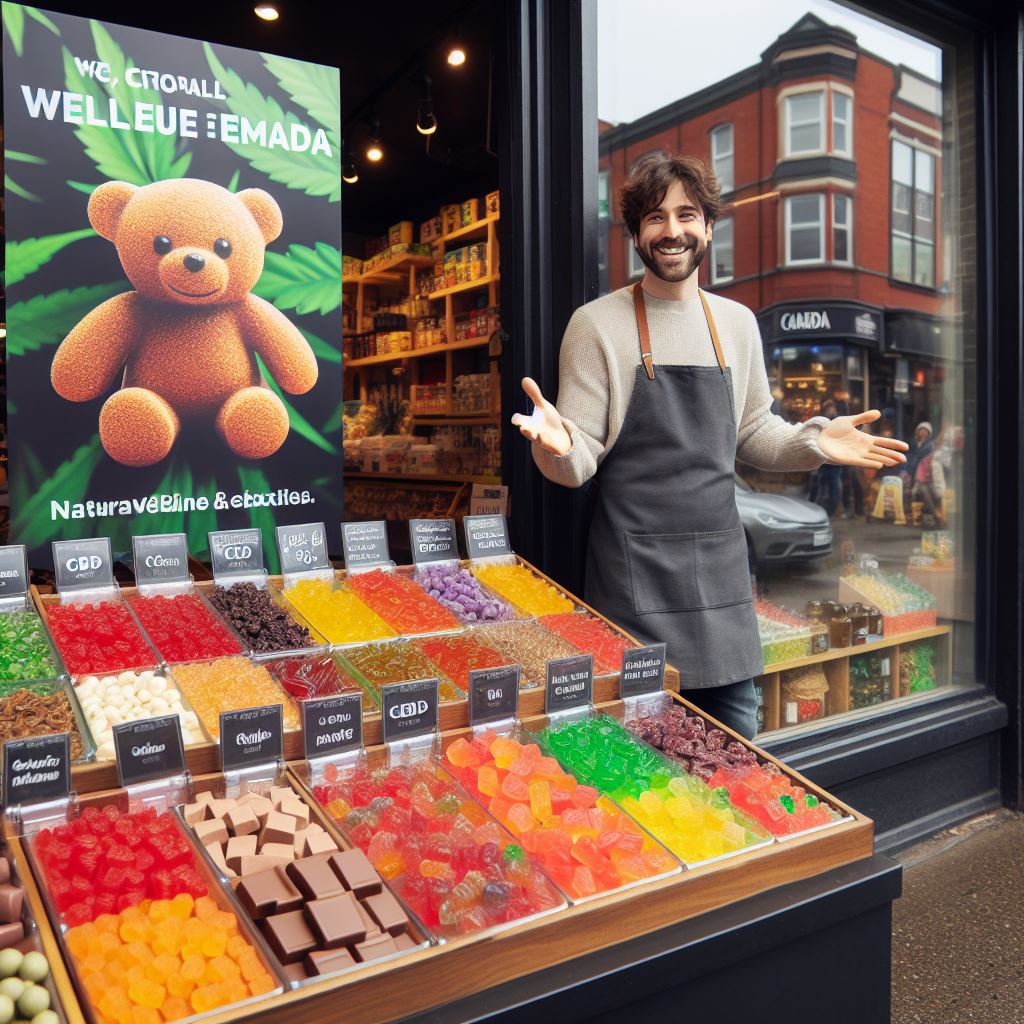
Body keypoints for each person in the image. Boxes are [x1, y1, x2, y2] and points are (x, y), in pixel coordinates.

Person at [512, 154, 908, 740]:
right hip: (632, 581)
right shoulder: (596, 325)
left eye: (687, 215)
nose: (672, 231)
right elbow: (578, 461)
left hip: (722, 581)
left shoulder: (738, 324)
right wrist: (557, 445)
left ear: (709, 228)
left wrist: (815, 441)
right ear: (636, 234)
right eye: (655, 218)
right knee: (639, 767)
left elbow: (754, 432)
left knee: (737, 758)